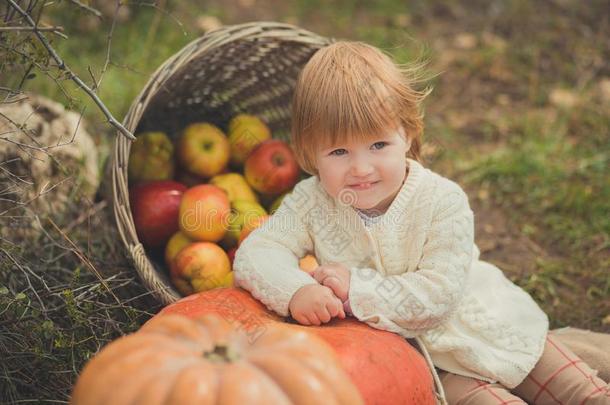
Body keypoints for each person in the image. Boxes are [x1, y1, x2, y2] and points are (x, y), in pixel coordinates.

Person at [232, 41, 610, 404]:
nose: (361, 169)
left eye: (378, 145)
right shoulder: (311, 203)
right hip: (433, 367)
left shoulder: (443, 201)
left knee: (586, 395)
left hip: (498, 330)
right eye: (339, 151)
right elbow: (259, 251)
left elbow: (439, 295)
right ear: (309, 153)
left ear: (407, 132)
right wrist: (296, 290)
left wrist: (355, 291)